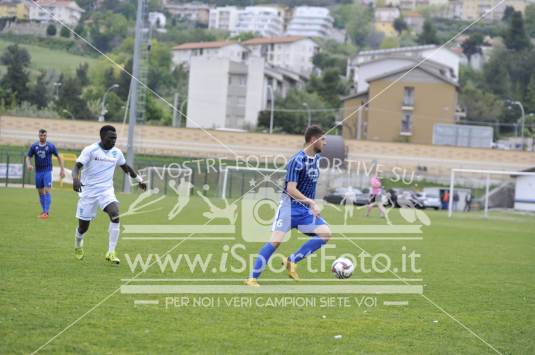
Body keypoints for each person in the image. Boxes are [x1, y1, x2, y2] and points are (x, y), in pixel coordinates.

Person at [245, 126, 331, 287]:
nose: (325, 143)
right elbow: (291, 189)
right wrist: (311, 202)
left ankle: (292, 260)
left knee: (325, 234)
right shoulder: (296, 160)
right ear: (314, 140)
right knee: (275, 242)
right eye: (323, 139)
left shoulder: (317, 160)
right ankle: (251, 278)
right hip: (288, 208)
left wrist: (310, 203)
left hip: (304, 210)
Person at [72, 125, 146, 264]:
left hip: (106, 191)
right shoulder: (90, 150)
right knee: (83, 227)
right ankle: (78, 243)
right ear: (102, 137)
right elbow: (77, 166)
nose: (113, 141)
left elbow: (126, 167)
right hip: (88, 193)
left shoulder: (116, 153)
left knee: (115, 214)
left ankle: (111, 252)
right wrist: (75, 179)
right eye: (111, 138)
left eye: (115, 138)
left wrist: (139, 180)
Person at [26, 128, 65, 219]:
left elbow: (59, 157)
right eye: (41, 135)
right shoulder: (34, 146)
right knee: (40, 192)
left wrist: (62, 169)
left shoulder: (50, 146)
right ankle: (44, 211)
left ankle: (46, 213)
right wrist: (29, 165)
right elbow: (28, 157)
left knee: (47, 190)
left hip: (47, 171)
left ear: (46, 136)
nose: (42, 137)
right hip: (38, 172)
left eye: (44, 135)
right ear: (38, 135)